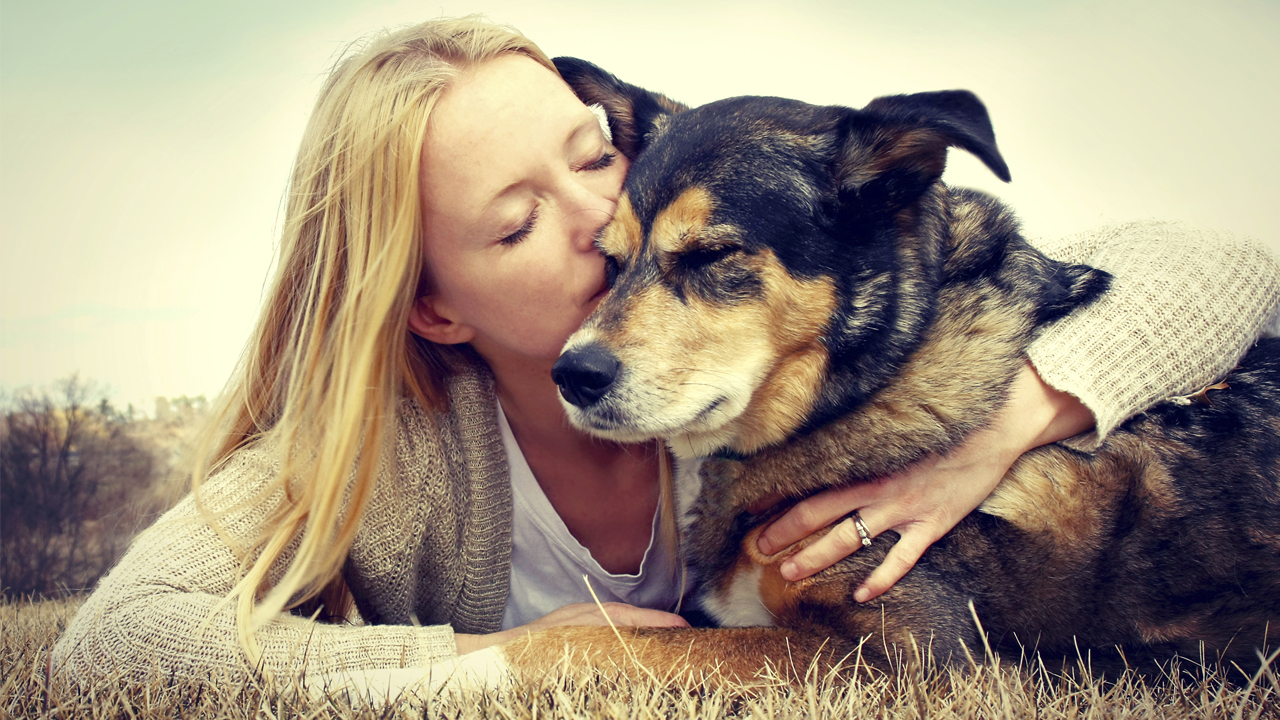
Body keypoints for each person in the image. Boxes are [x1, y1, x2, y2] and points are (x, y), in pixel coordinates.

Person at [53, 16, 1280, 690]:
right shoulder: (403, 448)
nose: (601, 221)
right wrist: (508, 660)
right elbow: (115, 644)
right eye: (516, 222)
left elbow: (1212, 268)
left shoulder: (773, 367)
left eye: (591, 159)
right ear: (434, 308)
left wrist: (1013, 424)